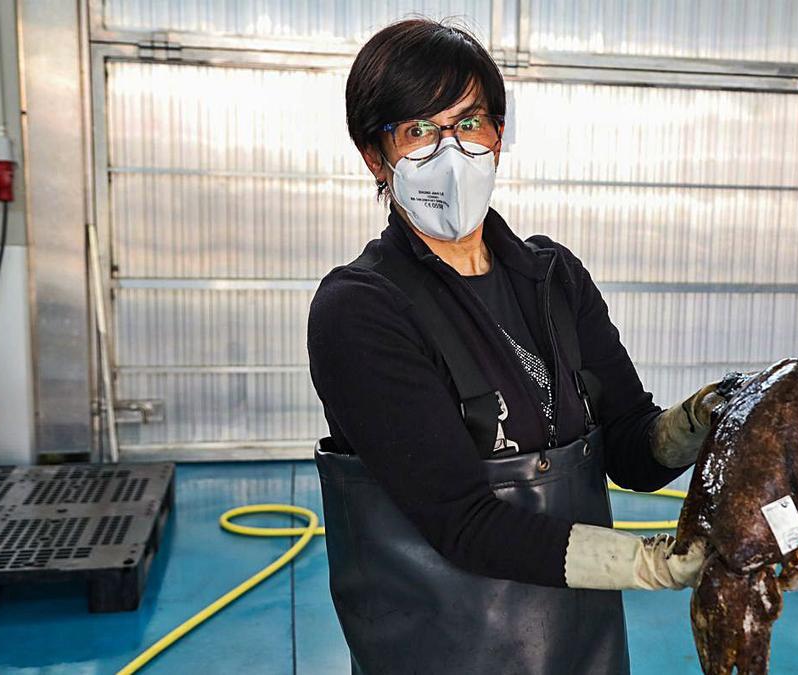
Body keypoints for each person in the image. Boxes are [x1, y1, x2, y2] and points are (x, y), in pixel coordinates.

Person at [308, 18, 746, 674]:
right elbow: (463, 521)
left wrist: (701, 419)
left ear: (498, 135)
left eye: (469, 123)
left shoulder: (552, 278)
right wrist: (649, 561)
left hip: (583, 647)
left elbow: (631, 448)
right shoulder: (360, 311)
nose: (451, 151)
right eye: (419, 131)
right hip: (445, 649)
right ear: (377, 156)